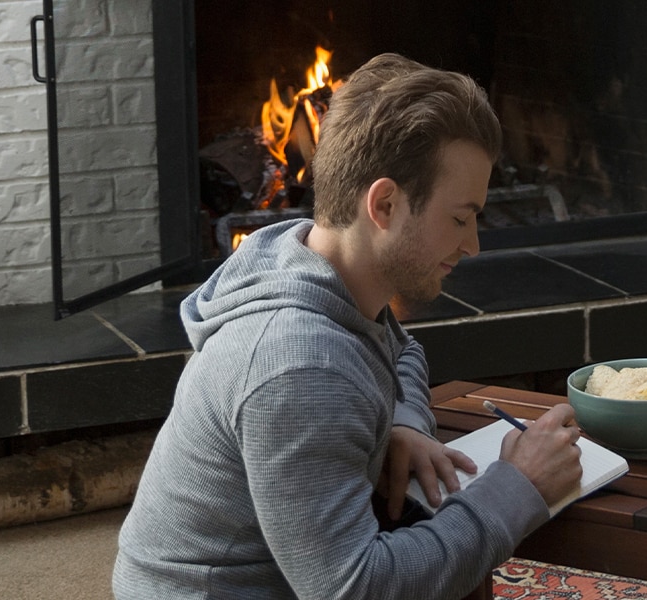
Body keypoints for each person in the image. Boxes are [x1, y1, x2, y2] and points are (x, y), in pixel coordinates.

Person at [114, 54, 587, 600]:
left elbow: (400, 351)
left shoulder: (312, 267)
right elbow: (356, 589)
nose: (472, 244)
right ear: (384, 203)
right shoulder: (301, 363)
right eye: (459, 218)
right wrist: (517, 487)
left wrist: (402, 422)